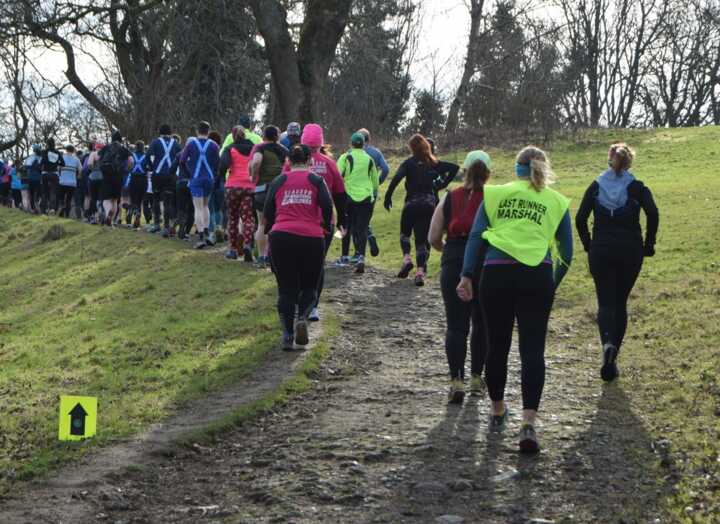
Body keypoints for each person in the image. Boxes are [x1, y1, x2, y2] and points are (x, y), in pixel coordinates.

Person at [457, 146, 573, 454]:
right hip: (537, 275)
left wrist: (467, 274)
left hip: (495, 274)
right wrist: (552, 281)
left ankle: (497, 409)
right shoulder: (556, 201)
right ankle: (528, 423)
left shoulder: (494, 195)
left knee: (498, 345)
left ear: (516, 168)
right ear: (543, 169)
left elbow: (475, 237)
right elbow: (568, 253)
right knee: (533, 350)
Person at [575, 143, 659, 382]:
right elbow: (653, 213)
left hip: (601, 249)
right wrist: (649, 243)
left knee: (605, 302)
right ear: (629, 162)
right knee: (620, 302)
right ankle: (612, 360)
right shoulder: (637, 187)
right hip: (630, 250)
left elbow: (580, 218)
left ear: (609, 159)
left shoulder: (595, 186)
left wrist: (588, 244)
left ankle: (606, 344)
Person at [429, 151, 491, 404]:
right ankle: (477, 378)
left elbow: (433, 237)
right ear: (488, 174)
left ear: (464, 171)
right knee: (482, 323)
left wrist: (449, 252)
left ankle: (456, 380)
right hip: (485, 261)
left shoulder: (449, 197)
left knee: (456, 325)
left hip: (454, 259)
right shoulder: (494, 198)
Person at [263, 145, 333, 351]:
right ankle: (302, 317)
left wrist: (269, 228)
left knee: (286, 289)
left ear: (288, 161)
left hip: (281, 236)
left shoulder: (279, 180)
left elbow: (268, 208)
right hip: (311, 238)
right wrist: (326, 225)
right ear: (310, 161)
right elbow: (327, 206)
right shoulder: (316, 180)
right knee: (310, 286)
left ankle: (287, 334)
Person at [384, 134, 459, 286]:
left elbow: (397, 178)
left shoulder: (408, 163)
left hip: (411, 203)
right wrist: (442, 184)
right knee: (421, 241)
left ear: (412, 148)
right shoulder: (433, 163)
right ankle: (419, 272)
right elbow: (454, 168)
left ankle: (407, 259)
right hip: (428, 205)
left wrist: (388, 196)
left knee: (405, 234)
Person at [296, 123, 346, 321]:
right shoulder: (330, 163)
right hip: (324, 222)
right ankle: (314, 305)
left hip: (297, 220)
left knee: (298, 264)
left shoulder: (291, 162)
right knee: (317, 264)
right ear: (321, 142)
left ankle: (300, 301)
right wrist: (343, 219)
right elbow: (341, 194)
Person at [336, 133, 379, 274]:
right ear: (363, 144)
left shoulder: (345, 157)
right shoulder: (369, 159)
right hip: (366, 198)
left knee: (346, 226)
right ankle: (361, 257)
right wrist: (373, 194)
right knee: (361, 228)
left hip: (348, 197)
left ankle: (344, 256)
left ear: (351, 144)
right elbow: (375, 182)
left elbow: (337, 175)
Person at [249, 125, 289, 264]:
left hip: (261, 189)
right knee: (277, 223)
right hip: (279, 190)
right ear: (277, 136)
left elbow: (256, 162)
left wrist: (254, 176)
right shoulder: (285, 151)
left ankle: (261, 257)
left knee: (261, 224)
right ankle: (274, 256)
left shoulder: (260, 148)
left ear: (264, 135)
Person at [180, 121, 220, 249]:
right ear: (208, 131)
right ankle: (208, 234)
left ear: (197, 131)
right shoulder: (214, 145)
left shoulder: (191, 144)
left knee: (198, 208)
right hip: (209, 179)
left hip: (196, 179)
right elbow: (218, 164)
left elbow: (182, 161)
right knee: (205, 206)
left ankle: (201, 236)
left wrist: (189, 174)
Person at [218, 126, 256, 261]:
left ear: (233, 136)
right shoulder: (254, 149)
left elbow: (223, 165)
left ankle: (233, 249)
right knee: (248, 218)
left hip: (233, 186)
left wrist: (221, 178)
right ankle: (247, 244)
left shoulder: (230, 148)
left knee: (233, 218)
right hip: (249, 186)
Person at [357, 128, 390, 258]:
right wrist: (378, 182)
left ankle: (358, 252)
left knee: (356, 220)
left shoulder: (352, 152)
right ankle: (369, 237)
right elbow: (386, 169)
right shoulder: (375, 152)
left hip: (356, 189)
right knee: (366, 218)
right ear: (369, 139)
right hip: (371, 190)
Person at [147, 124, 182, 236]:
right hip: (171, 176)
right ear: (170, 133)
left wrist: (152, 167)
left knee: (156, 199)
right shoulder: (176, 144)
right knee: (168, 201)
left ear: (160, 132)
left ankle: (156, 224)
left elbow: (149, 156)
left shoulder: (155, 142)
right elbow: (181, 157)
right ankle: (167, 226)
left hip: (157, 175)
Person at [99, 131, 133, 227]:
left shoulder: (106, 147)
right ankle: (112, 221)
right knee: (114, 200)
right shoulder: (123, 149)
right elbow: (131, 160)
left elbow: (97, 158)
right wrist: (128, 168)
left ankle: (107, 213)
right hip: (118, 176)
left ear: (112, 139)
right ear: (120, 140)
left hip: (106, 175)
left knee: (106, 199)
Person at [208, 131, 226, 244]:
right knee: (219, 209)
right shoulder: (222, 153)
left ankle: (212, 233)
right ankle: (219, 229)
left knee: (211, 209)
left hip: (211, 182)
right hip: (221, 183)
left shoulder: (207, 153)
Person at [126, 141, 149, 229]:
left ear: (136, 147)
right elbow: (149, 167)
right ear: (143, 147)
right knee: (140, 201)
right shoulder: (146, 156)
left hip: (133, 179)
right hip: (143, 180)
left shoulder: (131, 155)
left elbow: (128, 167)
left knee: (132, 200)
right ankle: (137, 216)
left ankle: (129, 218)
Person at [40, 138, 65, 214]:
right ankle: (52, 208)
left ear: (47, 143)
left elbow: (41, 162)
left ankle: (43, 209)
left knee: (44, 192)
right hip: (54, 174)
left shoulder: (44, 152)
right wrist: (57, 163)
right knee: (53, 192)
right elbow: (63, 164)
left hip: (45, 174)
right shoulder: (57, 152)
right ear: (54, 143)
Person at [58, 145, 81, 218]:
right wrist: (78, 176)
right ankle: (67, 214)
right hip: (72, 183)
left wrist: (59, 174)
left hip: (62, 181)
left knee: (61, 198)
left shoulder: (62, 158)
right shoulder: (76, 159)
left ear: (66, 150)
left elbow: (58, 168)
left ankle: (62, 208)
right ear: (73, 150)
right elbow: (80, 169)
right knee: (69, 199)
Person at [85, 143, 104, 223]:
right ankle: (101, 213)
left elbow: (89, 164)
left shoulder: (93, 153)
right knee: (101, 198)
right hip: (103, 178)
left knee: (93, 198)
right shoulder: (105, 154)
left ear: (96, 148)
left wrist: (93, 170)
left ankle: (93, 217)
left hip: (93, 177)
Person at [24, 144, 43, 213]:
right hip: (38, 179)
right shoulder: (41, 158)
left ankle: (32, 208)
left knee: (31, 194)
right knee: (39, 194)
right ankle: (37, 205)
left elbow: (25, 167)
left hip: (30, 178)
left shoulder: (29, 158)